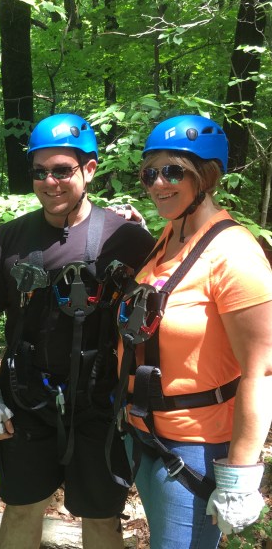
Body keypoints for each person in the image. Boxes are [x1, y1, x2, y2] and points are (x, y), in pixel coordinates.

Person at [0, 113, 155, 549]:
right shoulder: (9, 239)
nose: (49, 182)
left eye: (62, 170)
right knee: (21, 508)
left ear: (88, 169)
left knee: (101, 516)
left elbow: (155, 319)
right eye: (39, 172)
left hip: (100, 403)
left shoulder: (126, 239)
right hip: (26, 398)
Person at [114, 115, 272, 548]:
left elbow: (262, 371)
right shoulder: (170, 238)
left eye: (173, 171)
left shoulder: (236, 254)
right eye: (149, 173)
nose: (157, 184)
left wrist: (240, 473)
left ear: (207, 175)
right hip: (148, 436)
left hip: (196, 450)